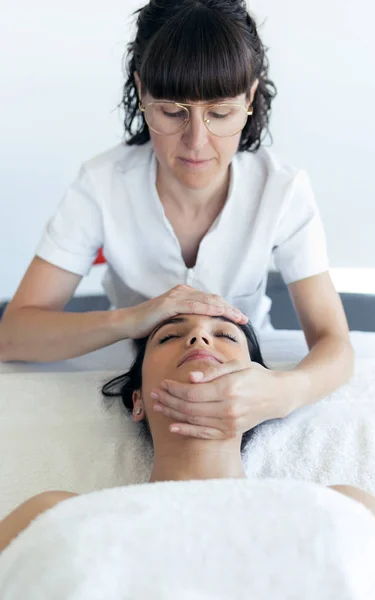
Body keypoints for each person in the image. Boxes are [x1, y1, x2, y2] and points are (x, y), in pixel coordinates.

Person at [0, 0, 354, 436]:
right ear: (142, 93)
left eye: (220, 113)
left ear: (249, 100)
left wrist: (284, 392)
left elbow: (334, 341)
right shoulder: (102, 184)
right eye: (172, 112)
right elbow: (12, 334)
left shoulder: (281, 189)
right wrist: (136, 318)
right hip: (136, 363)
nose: (196, 142)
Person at [0, 314, 375, 554]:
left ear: (261, 393)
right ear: (137, 401)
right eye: (169, 336)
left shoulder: (345, 509)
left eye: (226, 336)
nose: (199, 338)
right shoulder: (54, 516)